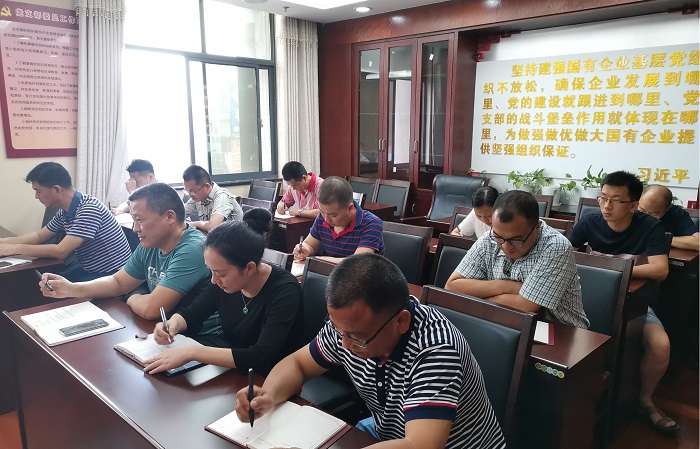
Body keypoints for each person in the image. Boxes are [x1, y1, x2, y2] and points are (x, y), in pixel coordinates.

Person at [235, 254, 506, 449]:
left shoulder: (436, 350)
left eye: (357, 338)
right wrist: (268, 397)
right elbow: (299, 363)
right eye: (339, 331)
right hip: (385, 434)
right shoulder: (349, 326)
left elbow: (420, 444)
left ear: (401, 321)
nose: (344, 344)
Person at [568, 171, 677, 435]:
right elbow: (564, 256)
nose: (606, 206)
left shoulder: (649, 226)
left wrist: (611, 271)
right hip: (587, 300)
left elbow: (660, 269)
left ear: (633, 205)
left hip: (633, 303)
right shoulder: (589, 222)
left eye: (616, 200)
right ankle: (577, 400)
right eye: (603, 198)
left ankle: (644, 401)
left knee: (660, 346)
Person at [143, 208, 304, 376]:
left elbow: (261, 356)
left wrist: (193, 352)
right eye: (211, 271)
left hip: (270, 377)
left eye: (220, 274)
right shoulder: (224, 282)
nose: (214, 280)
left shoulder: (285, 291)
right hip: (232, 368)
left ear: (249, 268)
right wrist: (172, 324)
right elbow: (192, 313)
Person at [39, 183, 212, 321]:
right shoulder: (152, 243)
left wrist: (132, 296)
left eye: (139, 220)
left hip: (198, 338)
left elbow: (151, 309)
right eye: (133, 220)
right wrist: (70, 288)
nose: (135, 229)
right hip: (163, 329)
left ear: (170, 217)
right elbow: (118, 282)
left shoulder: (192, 249)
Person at [445, 190, 589, 329]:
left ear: (537, 227)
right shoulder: (489, 238)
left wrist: (475, 297)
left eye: (516, 240)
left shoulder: (556, 247)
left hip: (560, 331)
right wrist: (505, 286)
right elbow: (452, 286)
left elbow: (524, 306)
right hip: (505, 325)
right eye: (499, 237)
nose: (506, 247)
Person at [0, 162, 131, 282]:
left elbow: (60, 251)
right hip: (91, 269)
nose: (36, 196)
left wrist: (13, 248)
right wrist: (3, 242)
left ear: (57, 189)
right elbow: (39, 236)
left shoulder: (89, 209)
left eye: (38, 191)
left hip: (114, 275)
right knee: (40, 284)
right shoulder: (65, 211)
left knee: (45, 288)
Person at [294, 176, 384, 264]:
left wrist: (315, 260)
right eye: (322, 212)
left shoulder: (371, 223)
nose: (326, 219)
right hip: (331, 272)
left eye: (332, 215)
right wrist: (304, 250)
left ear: (350, 208)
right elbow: (310, 244)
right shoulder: (323, 217)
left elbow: (357, 262)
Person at [182, 164, 243, 233]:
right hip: (214, 236)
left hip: (232, 236)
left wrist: (196, 224)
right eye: (187, 191)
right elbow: (179, 215)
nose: (190, 195)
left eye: (193, 191)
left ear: (207, 187)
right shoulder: (197, 198)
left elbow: (212, 226)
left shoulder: (222, 197)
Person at [638, 184, 699, 250]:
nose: (646, 217)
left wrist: (661, 238)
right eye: (642, 210)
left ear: (667, 208)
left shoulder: (676, 214)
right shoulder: (631, 208)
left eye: (653, 214)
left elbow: (697, 242)